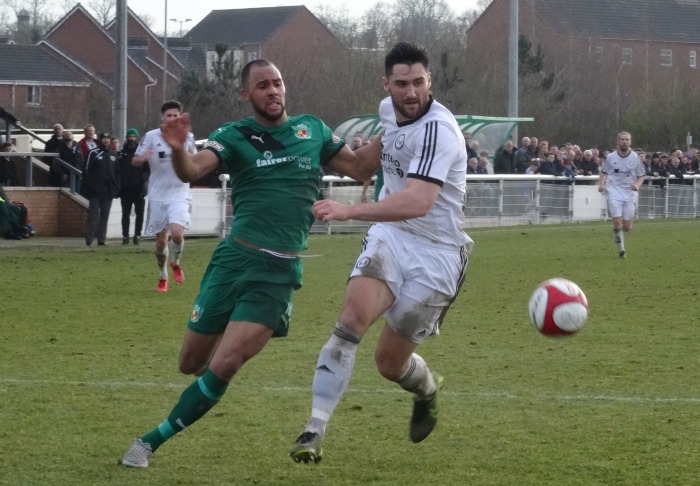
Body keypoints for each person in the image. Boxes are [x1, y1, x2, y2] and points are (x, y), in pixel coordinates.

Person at [119, 58, 381, 468]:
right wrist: (175, 148)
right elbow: (193, 170)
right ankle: (211, 376)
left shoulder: (312, 129)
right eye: (262, 85)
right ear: (247, 94)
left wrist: (400, 125)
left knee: (226, 363)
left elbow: (362, 168)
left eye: (277, 83)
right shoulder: (234, 135)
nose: (272, 91)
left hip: (276, 273)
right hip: (232, 260)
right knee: (191, 363)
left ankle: (149, 442)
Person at [290, 41, 473, 464]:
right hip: (391, 236)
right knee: (350, 321)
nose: (411, 93)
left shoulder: (439, 131)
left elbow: (418, 202)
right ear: (386, 83)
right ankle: (312, 432)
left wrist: (348, 209)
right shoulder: (389, 112)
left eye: (419, 83)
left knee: (389, 364)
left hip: (439, 253)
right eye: (401, 83)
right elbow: (360, 166)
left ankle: (427, 390)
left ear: (431, 81)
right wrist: (305, 147)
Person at [132, 101, 197, 292]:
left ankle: (175, 263)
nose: (172, 119)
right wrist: (142, 159)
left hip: (180, 192)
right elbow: (134, 160)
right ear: (162, 118)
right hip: (158, 195)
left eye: (176, 116)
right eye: (169, 116)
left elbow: (195, 159)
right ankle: (163, 274)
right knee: (161, 242)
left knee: (177, 234)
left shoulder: (188, 137)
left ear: (180, 116)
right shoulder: (151, 136)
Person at [598, 131, 645, 258]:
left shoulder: (635, 157)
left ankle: (621, 230)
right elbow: (603, 172)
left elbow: (641, 176)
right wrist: (601, 184)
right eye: (622, 139)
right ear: (617, 141)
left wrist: (637, 185)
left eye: (627, 140)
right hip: (614, 190)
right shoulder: (611, 157)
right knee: (617, 221)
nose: (625, 142)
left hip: (629, 192)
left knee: (626, 227)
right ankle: (622, 251)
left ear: (630, 142)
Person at [83, 132, 120, 246]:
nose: (106, 141)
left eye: (108, 139)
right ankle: (89, 239)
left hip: (108, 191)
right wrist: (90, 186)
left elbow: (118, 173)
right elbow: (86, 171)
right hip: (95, 190)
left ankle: (101, 240)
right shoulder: (93, 153)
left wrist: (116, 188)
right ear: (100, 140)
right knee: (93, 215)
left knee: (105, 216)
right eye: (104, 138)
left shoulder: (113, 155)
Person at [118, 128, 148, 245]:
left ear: (137, 138)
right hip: (125, 189)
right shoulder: (121, 153)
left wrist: (143, 180)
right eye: (130, 136)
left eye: (134, 137)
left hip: (139, 188)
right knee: (125, 214)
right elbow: (118, 170)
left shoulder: (141, 153)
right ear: (126, 138)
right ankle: (125, 236)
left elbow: (147, 170)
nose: (131, 139)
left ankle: (137, 235)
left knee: (139, 213)